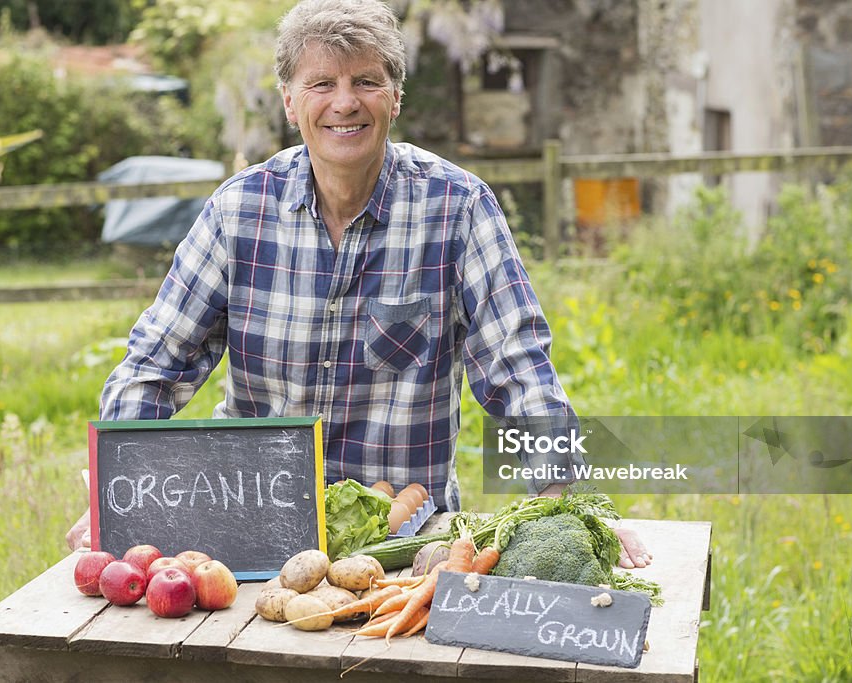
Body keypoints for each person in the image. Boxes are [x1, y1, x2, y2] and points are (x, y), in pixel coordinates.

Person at [67, 0, 651, 569]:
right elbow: (158, 361)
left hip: (409, 547)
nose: (345, 103)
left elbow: (518, 366)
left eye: (366, 81)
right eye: (321, 84)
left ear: (395, 98)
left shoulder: (457, 207)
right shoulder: (237, 211)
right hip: (254, 539)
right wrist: (114, 496)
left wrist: (567, 503)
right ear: (290, 103)